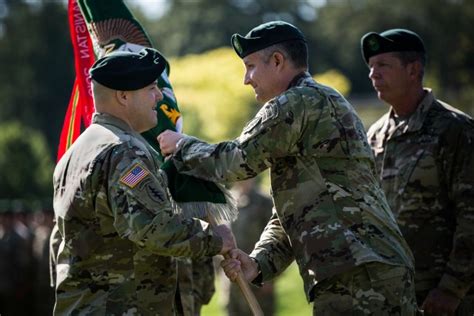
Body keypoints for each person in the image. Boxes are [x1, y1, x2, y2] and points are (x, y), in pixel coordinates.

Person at [159, 21, 417, 315]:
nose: (246, 79)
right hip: (367, 269)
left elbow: (235, 162)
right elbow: (295, 213)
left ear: (278, 61)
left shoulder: (295, 103)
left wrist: (181, 147)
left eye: (251, 66)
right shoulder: (319, 101)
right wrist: (258, 264)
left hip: (359, 274)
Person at [51, 47, 235, 315]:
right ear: (123, 96)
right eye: (151, 88)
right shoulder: (123, 151)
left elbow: (58, 245)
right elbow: (152, 227)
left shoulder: (75, 152)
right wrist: (215, 238)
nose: (159, 96)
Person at [361, 28, 474, 315]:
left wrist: (451, 289)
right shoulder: (375, 136)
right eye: (371, 67)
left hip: (447, 300)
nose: (374, 74)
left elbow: (471, 217)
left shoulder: (454, 130)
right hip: (391, 297)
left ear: (414, 70)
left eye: (383, 65)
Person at [222, 178, 275, 316]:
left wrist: (270, 277)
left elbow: (276, 238)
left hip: (258, 274)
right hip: (233, 277)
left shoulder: (264, 201)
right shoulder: (227, 200)